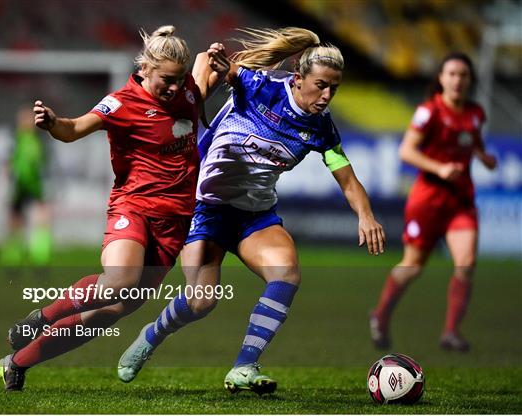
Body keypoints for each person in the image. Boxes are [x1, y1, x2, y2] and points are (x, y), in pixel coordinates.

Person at [117, 27, 385, 395]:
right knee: (201, 301)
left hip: (254, 216)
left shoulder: (322, 129)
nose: (327, 96)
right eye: (321, 85)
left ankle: (244, 366)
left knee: (287, 273)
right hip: (204, 208)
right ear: (298, 78)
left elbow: (349, 180)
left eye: (334, 89)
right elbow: (223, 71)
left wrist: (366, 216)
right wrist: (219, 63)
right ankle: (152, 335)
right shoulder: (261, 87)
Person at [0, 25, 230, 391]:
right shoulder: (122, 103)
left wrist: (215, 56)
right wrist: (54, 123)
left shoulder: (186, 89)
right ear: (146, 69)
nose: (174, 87)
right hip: (133, 207)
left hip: (175, 222)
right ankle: (40, 318)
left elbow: (202, 70)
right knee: (119, 281)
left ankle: (17, 363)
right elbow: (74, 129)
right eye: (166, 79)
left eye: (179, 79)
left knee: (114, 310)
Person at [369, 52, 497, 352]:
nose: (457, 80)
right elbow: (406, 151)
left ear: (470, 80)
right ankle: (381, 315)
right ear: (441, 79)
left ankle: (451, 332)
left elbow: (473, 142)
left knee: (465, 264)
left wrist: (484, 158)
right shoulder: (429, 111)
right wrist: (439, 168)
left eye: (463, 75)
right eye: (451, 74)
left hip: (461, 201)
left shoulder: (476, 113)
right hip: (428, 200)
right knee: (413, 266)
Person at [1, 105, 53, 266]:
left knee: (41, 219)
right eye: (22, 118)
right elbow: (10, 162)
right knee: (16, 221)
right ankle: (13, 257)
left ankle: (40, 256)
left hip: (36, 185)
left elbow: (45, 164)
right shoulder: (17, 139)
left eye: (28, 118)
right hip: (19, 185)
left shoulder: (39, 140)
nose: (25, 122)